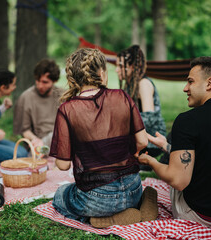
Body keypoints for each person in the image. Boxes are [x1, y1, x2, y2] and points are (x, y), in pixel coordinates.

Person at [139, 57, 211, 227]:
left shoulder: (187, 121)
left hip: (202, 217)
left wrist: (149, 161)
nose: (185, 88)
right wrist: (166, 146)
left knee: (172, 181)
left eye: (190, 81)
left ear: (209, 83)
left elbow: (178, 180)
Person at [49, 48, 158, 229]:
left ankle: (99, 219)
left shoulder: (67, 109)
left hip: (98, 200)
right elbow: (142, 142)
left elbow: (62, 165)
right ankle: (142, 203)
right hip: (133, 189)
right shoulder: (122, 97)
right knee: (132, 192)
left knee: (61, 194)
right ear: (101, 73)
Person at [116, 45, 167, 167]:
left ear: (132, 67)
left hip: (151, 141)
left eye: (121, 66)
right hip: (137, 137)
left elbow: (148, 119)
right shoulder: (130, 85)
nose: (116, 69)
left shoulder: (143, 84)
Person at [13, 59, 64, 149]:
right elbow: (25, 131)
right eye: (37, 80)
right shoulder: (26, 97)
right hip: (39, 143)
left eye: (45, 82)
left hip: (62, 140)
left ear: (54, 81)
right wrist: (36, 141)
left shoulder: (62, 95)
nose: (40, 85)